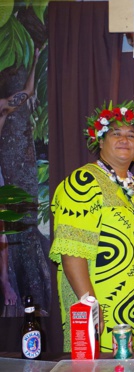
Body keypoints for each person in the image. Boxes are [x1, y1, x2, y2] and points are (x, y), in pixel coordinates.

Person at [49, 101, 134, 352]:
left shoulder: (128, 186)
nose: (125, 139)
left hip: (130, 305)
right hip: (100, 304)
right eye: (116, 133)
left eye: (131, 135)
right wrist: (90, 306)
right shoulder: (84, 181)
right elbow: (72, 251)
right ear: (100, 141)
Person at [0, 48, 43, 309]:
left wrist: (36, 59)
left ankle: (4, 280)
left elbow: (26, 93)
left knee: (2, 227)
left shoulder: (1, 106)